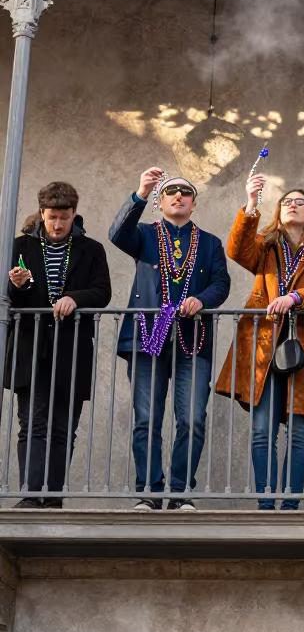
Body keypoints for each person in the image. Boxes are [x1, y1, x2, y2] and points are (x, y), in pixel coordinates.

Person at [215, 177, 304, 510]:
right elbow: (236, 250)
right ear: (278, 211)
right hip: (264, 346)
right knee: (261, 431)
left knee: (298, 433)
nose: (293, 204)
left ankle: (290, 505)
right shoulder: (266, 245)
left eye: (300, 201)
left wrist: (297, 297)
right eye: (286, 201)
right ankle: (266, 502)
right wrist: (251, 203)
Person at [110, 169, 230, 510]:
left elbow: (221, 283)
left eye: (185, 192)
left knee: (191, 418)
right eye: (170, 191)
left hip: (193, 339)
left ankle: (179, 491)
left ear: (193, 204)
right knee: (147, 418)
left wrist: (203, 300)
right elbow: (117, 234)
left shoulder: (209, 243)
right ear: (160, 202)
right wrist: (141, 191)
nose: (178, 195)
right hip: (147, 337)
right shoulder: (145, 235)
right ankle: (148, 489)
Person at [5, 182, 111, 508]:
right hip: (31, 347)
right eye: (52, 217)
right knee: (33, 424)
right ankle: (31, 495)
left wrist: (74, 298)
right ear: (41, 213)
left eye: (64, 217)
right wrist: (19, 286)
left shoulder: (91, 249)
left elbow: (102, 292)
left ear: (73, 214)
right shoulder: (20, 246)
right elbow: (11, 300)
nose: (57, 224)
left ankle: (52, 497)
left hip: (72, 349)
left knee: (63, 427)